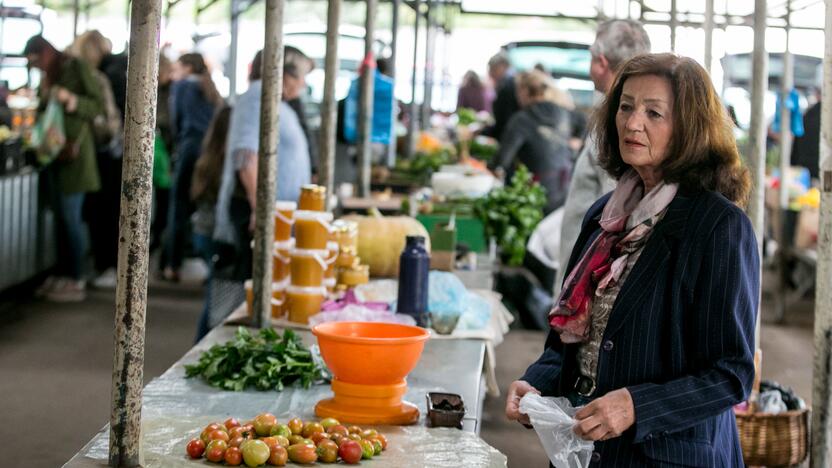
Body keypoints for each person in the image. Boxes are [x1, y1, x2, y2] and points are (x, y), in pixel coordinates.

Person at [505, 53, 759, 466]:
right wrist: (536, 383)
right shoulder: (605, 217)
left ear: (689, 128)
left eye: (654, 113)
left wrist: (637, 406)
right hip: (587, 450)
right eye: (625, 107)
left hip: (666, 456)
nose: (632, 123)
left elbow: (730, 374)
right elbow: (571, 341)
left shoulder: (718, 227)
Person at [555, 19, 651, 298]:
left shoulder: (617, 124)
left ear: (600, 62)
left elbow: (617, 211)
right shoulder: (623, 119)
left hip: (588, 275)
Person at [213, 48, 311, 279]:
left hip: (271, 213)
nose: (303, 84)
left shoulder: (274, 101)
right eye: (301, 76)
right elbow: (246, 156)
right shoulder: (258, 97)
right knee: (243, 291)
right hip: (255, 213)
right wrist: (260, 207)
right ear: (284, 75)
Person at [25, 35, 104, 302]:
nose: (37, 66)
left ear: (46, 52)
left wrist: (70, 99)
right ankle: (64, 274)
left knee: (71, 218)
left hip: (76, 157)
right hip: (53, 156)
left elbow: (97, 105)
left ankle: (78, 277)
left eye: (37, 61)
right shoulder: (49, 75)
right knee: (60, 219)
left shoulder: (76, 66)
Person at [68, 30, 124, 289]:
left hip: (106, 153)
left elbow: (105, 117)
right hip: (115, 152)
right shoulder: (119, 69)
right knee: (110, 211)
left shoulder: (101, 77)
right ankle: (110, 266)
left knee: (104, 212)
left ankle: (108, 267)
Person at [163, 52, 223, 281]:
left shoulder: (182, 87)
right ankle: (211, 265)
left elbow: (176, 121)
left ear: (187, 68)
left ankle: (173, 264)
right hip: (211, 153)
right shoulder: (211, 88)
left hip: (189, 149)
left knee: (178, 207)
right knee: (208, 207)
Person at [489, 70, 575, 214]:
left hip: (532, 195)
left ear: (524, 91)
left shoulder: (522, 119)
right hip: (563, 190)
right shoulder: (563, 113)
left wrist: (490, 165)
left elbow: (502, 160)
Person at [190, 105, 232, 341]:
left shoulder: (208, 156)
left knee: (214, 294)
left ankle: (200, 344)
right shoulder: (226, 162)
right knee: (217, 298)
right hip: (213, 233)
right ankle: (200, 346)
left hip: (201, 232)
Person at [480, 52, 519, 141]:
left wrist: (484, 131)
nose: (490, 73)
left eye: (493, 69)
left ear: (503, 66)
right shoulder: (511, 82)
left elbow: (504, 122)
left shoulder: (508, 86)